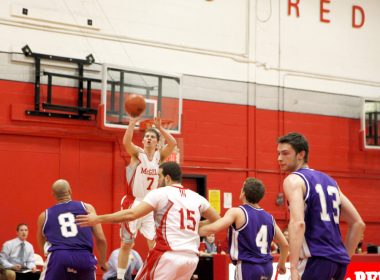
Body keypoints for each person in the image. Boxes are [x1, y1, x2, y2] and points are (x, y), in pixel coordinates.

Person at [76, 161, 221, 280]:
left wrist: (98, 219)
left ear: (167, 178)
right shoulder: (196, 197)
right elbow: (217, 220)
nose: (157, 180)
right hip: (191, 259)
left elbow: (131, 214)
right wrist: (196, 226)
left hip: (167, 255)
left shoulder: (161, 193)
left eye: (159, 176)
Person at [277, 132, 366, 280]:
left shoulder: (293, 180)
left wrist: (292, 267)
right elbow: (358, 223)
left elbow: (298, 223)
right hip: (338, 264)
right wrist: (344, 258)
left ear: (301, 154)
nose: (279, 158)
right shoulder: (330, 181)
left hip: (314, 260)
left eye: (285, 153)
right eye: (278, 153)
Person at [118, 113, 177, 280]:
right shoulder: (137, 154)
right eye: (147, 137)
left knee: (154, 245)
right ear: (143, 141)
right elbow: (126, 143)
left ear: (157, 142)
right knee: (127, 243)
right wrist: (131, 124)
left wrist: (160, 129)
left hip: (150, 204)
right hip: (133, 202)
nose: (149, 139)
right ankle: (121, 277)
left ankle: (153, 275)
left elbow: (172, 143)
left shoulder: (159, 157)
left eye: (152, 137)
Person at [199, 177, 289, 280]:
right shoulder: (270, 218)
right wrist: (282, 264)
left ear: (243, 193)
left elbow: (214, 229)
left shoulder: (237, 212)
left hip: (248, 266)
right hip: (267, 268)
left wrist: (191, 230)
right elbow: (285, 244)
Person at [36, 179, 108, 280]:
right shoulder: (87, 208)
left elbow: (41, 240)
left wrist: (46, 256)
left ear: (53, 194)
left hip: (59, 257)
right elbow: (101, 238)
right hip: (84, 257)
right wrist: (103, 261)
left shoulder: (44, 216)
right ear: (70, 191)